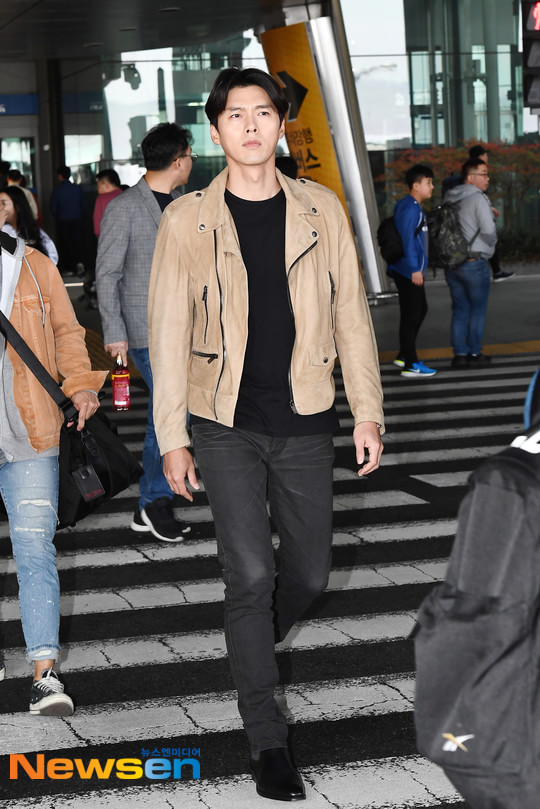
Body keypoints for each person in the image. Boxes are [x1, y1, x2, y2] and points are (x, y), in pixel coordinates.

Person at [148, 67, 384, 802]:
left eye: (262, 113)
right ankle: (267, 738)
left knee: (308, 575)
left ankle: (248, 639)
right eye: (235, 115)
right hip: (224, 421)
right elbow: (167, 330)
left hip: (306, 415)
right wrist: (171, 436)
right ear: (215, 130)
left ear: (281, 124)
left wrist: (368, 409)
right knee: (249, 576)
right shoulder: (187, 219)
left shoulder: (321, 208)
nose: (250, 126)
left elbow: (351, 316)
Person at [0, 227, 107, 714]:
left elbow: (67, 331)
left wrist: (81, 383)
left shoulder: (33, 266)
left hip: (33, 429)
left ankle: (45, 673)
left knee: (34, 547)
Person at [96, 123, 194, 541]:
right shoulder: (124, 207)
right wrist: (114, 332)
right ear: (177, 161)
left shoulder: (181, 203)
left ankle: (152, 502)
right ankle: (154, 501)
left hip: (182, 328)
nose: (190, 162)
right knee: (170, 412)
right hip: (144, 330)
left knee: (169, 412)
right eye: (189, 155)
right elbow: (107, 274)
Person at [444, 158, 497, 368]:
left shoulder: (449, 196)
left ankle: (459, 354)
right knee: (477, 310)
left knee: (459, 309)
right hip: (474, 263)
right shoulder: (478, 198)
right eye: (483, 174)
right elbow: (488, 230)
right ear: (470, 177)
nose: (487, 178)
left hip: (453, 264)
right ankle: (474, 353)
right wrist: (492, 242)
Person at [387, 164, 438, 379]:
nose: (432, 187)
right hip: (409, 270)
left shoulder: (410, 205)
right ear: (416, 185)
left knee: (417, 310)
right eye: (428, 183)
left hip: (406, 269)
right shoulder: (411, 208)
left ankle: (404, 355)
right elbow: (408, 240)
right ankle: (410, 364)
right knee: (412, 315)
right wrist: (414, 269)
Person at [467, 145, 513, 283]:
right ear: (481, 156)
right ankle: (493, 272)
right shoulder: (476, 170)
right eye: (485, 154)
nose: (487, 157)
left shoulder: (470, 169)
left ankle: (493, 271)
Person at [0, 185, 58, 264]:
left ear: (18, 207)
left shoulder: (32, 230)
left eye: (3, 203)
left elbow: (52, 256)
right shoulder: (4, 229)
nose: (0, 207)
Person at [49, 165, 86, 276]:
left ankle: (69, 268)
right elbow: (84, 205)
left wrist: (58, 217)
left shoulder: (57, 190)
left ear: (60, 176)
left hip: (63, 220)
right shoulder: (77, 189)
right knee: (78, 242)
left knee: (65, 244)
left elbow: (53, 208)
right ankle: (80, 264)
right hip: (77, 219)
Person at [93, 169, 123, 237]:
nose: (98, 190)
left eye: (98, 187)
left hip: (108, 239)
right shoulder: (128, 196)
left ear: (106, 184)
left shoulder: (102, 198)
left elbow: (97, 229)